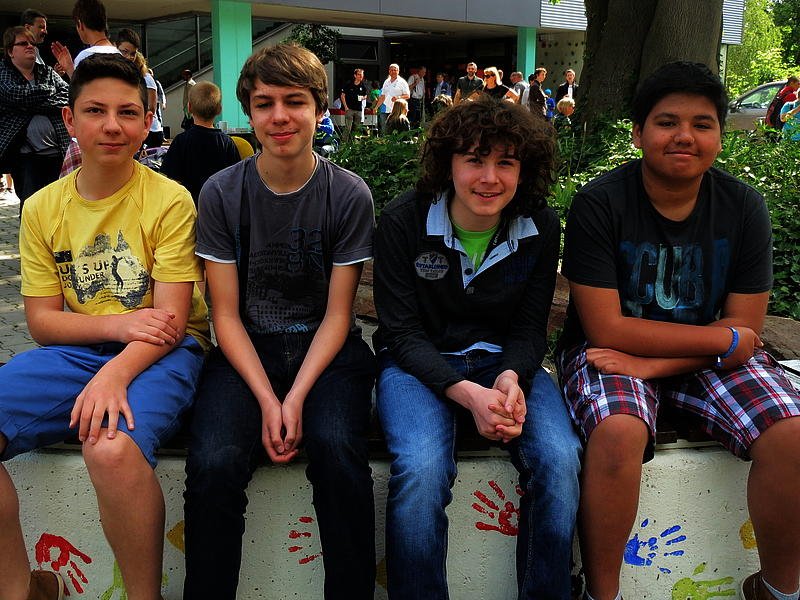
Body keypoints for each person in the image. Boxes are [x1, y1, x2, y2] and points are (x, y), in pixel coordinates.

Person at [557, 61, 800, 600]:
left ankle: (778, 590)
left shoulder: (743, 206)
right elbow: (606, 327)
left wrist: (656, 364)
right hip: (608, 355)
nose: (685, 136)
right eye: (667, 122)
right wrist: (722, 340)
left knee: (791, 432)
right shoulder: (600, 203)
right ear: (638, 133)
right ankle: (601, 594)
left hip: (692, 360)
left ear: (720, 135)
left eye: (702, 123)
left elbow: (746, 328)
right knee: (619, 430)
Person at [0, 52, 209, 600]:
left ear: (147, 121)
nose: (112, 126)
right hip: (85, 347)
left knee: (110, 447)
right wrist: (117, 330)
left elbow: (171, 322)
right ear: (70, 120)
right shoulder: (41, 208)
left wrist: (115, 375)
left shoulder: (169, 200)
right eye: (95, 111)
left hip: (167, 351)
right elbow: (43, 322)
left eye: (127, 112)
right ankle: (22, 589)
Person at [183, 43, 377, 600]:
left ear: (319, 108)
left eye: (295, 102)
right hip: (246, 350)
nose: (280, 117)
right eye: (264, 103)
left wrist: (296, 399)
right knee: (214, 462)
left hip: (328, 351)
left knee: (338, 451)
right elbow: (224, 315)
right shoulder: (222, 192)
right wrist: (271, 401)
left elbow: (338, 314)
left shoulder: (347, 193)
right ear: (248, 111)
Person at [373, 96, 581, 600]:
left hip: (502, 365)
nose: (489, 178)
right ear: (448, 164)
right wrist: (467, 394)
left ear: (524, 170)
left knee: (560, 458)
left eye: (505, 162)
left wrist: (511, 377)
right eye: (474, 160)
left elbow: (530, 328)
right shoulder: (403, 221)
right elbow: (402, 333)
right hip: (416, 365)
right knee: (421, 468)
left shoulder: (538, 225)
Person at [0, 27, 70, 215]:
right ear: (10, 51)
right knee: (32, 209)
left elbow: (68, 95)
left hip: (57, 153)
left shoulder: (46, 72)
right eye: (23, 43)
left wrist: (29, 104)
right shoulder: (4, 71)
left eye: (32, 43)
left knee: (58, 208)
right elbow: (13, 94)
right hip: (26, 158)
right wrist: (50, 92)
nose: (30, 46)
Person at [161, 81, 239, 203]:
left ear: (189, 107)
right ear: (219, 109)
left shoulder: (180, 141)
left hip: (188, 207)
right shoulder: (227, 143)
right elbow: (236, 180)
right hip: (219, 208)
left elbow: (171, 181)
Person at [51, 0, 118, 78]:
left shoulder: (86, 57)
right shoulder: (119, 54)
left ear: (80, 24)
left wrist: (70, 70)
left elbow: (80, 86)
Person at [374, 63, 410, 133]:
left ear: (398, 71)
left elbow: (408, 95)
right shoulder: (386, 81)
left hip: (397, 110)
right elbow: (382, 96)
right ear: (389, 71)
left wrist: (398, 97)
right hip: (385, 109)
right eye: (391, 70)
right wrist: (376, 107)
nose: (393, 71)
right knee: (384, 129)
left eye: (395, 70)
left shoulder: (402, 82)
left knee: (395, 130)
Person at [339, 67, 368, 143]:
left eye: (362, 75)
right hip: (349, 109)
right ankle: (344, 144)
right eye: (359, 75)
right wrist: (346, 107)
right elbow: (342, 95)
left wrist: (363, 98)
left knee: (357, 129)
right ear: (355, 75)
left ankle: (355, 144)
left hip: (359, 110)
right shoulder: (349, 84)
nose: (361, 76)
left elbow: (365, 95)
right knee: (348, 128)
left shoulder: (363, 85)